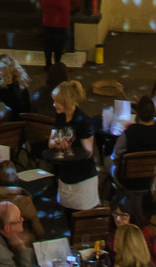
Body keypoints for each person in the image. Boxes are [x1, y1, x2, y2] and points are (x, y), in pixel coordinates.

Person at [49, 79, 98, 211]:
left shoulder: (83, 121)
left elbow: (88, 152)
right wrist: (59, 142)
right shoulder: (60, 116)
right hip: (66, 174)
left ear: (66, 102)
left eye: (57, 101)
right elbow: (51, 143)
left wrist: (70, 141)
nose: (54, 105)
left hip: (83, 179)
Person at [111, 95, 156, 190]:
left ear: (137, 113)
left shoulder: (128, 134)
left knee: (108, 160)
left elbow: (116, 158)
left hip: (128, 180)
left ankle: (108, 196)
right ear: (154, 113)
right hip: (155, 178)